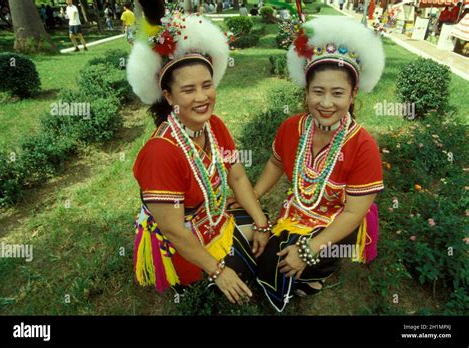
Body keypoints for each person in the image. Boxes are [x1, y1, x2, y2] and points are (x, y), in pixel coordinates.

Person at [126, 0, 270, 304]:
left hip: (213, 217)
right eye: (188, 90)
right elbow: (174, 230)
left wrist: (261, 223)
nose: (202, 97)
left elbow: (238, 176)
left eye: (207, 85)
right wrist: (218, 271)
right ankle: (196, 282)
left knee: (267, 246)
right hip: (182, 240)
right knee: (244, 276)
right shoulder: (160, 153)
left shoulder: (213, 125)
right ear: (168, 96)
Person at [254, 16, 385, 312]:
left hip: (339, 222)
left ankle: (320, 271)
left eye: (338, 93)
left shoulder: (363, 146)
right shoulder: (291, 128)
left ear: (353, 95)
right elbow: (275, 164)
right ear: (306, 91)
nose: (326, 103)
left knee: (297, 262)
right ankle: (300, 264)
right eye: (318, 91)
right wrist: (254, 196)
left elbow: (353, 213)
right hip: (295, 214)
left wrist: (309, 249)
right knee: (265, 262)